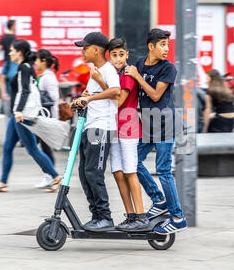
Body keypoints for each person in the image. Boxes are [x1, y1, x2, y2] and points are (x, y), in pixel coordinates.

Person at [125, 28, 188, 235]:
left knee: (163, 170)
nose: (166, 49)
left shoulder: (168, 68)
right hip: (149, 124)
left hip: (166, 124)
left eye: (167, 45)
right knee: (133, 162)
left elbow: (154, 95)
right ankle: (159, 200)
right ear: (151, 46)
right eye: (162, 45)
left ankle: (178, 217)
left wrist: (137, 75)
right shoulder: (141, 63)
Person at [0, 40, 62, 193]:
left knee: (32, 148)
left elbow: (26, 91)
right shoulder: (24, 67)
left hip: (23, 114)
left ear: (20, 52)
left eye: (12, 50)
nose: (9, 53)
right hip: (18, 113)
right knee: (7, 147)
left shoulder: (25, 67)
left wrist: (19, 110)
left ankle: (56, 177)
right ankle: (2, 182)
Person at [88, 37, 149, 232]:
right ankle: (130, 215)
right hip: (114, 128)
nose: (118, 58)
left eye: (121, 54)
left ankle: (141, 216)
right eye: (114, 55)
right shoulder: (114, 74)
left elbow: (118, 101)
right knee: (117, 173)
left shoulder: (128, 74)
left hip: (129, 127)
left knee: (130, 171)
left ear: (127, 55)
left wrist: (100, 83)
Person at [71, 32, 121, 232]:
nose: (82, 51)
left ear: (96, 50)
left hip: (102, 128)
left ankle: (105, 217)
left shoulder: (108, 69)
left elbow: (115, 91)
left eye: (85, 48)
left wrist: (90, 99)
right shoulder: (95, 71)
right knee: (84, 173)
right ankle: (96, 216)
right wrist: (85, 97)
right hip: (90, 126)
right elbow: (99, 95)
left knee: (94, 173)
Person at [33, 49, 60, 188]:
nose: (35, 63)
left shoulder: (48, 78)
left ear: (43, 61)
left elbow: (54, 98)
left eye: (37, 60)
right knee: (42, 147)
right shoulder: (43, 76)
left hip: (48, 118)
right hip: (42, 118)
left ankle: (50, 175)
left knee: (43, 148)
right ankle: (49, 175)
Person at [0, 19, 18, 118]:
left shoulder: (3, 38)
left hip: (6, 63)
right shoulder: (14, 38)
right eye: (15, 25)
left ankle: (3, 108)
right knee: (11, 85)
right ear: (12, 26)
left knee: (5, 84)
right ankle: (8, 107)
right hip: (12, 63)